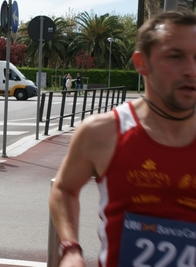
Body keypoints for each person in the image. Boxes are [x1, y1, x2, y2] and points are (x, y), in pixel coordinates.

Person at [49, 10, 196, 267]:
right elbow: (63, 189)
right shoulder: (101, 133)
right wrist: (71, 249)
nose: (191, 70)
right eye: (175, 56)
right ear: (141, 62)